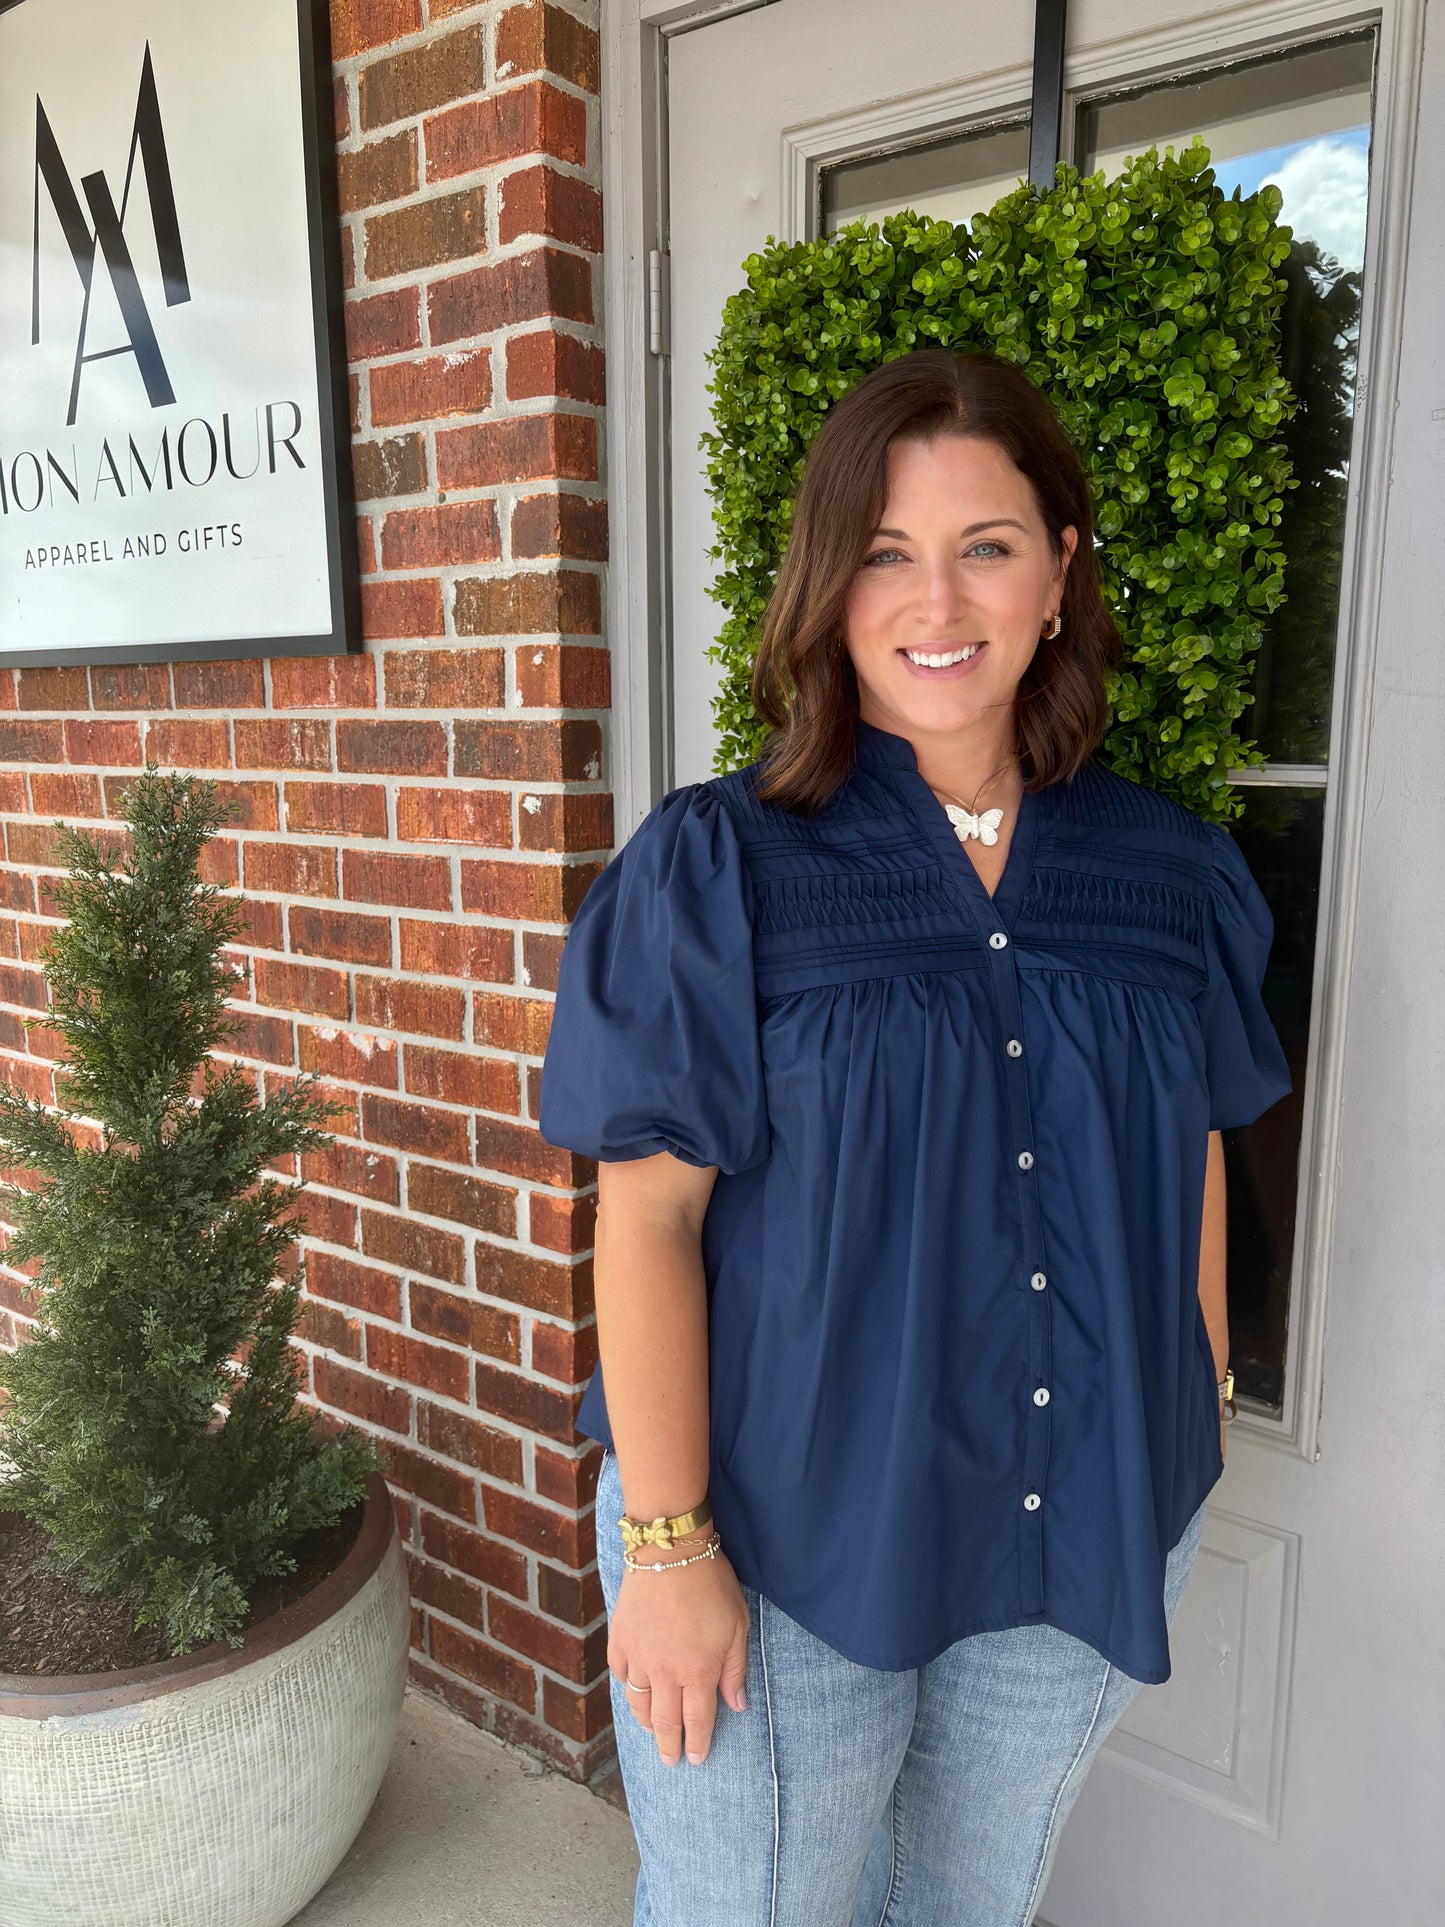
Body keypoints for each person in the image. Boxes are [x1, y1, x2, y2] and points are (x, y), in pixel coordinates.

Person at [537, 346, 1291, 1926]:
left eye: (984, 546)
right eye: (884, 553)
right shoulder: (721, 867)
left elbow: (1194, 1147)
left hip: (1077, 1528)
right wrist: (666, 1549)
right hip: (778, 1545)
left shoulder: (1168, 873)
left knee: (968, 1904)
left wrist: (1200, 1403)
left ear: (1057, 572)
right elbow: (649, 1217)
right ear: (827, 585)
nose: (934, 603)